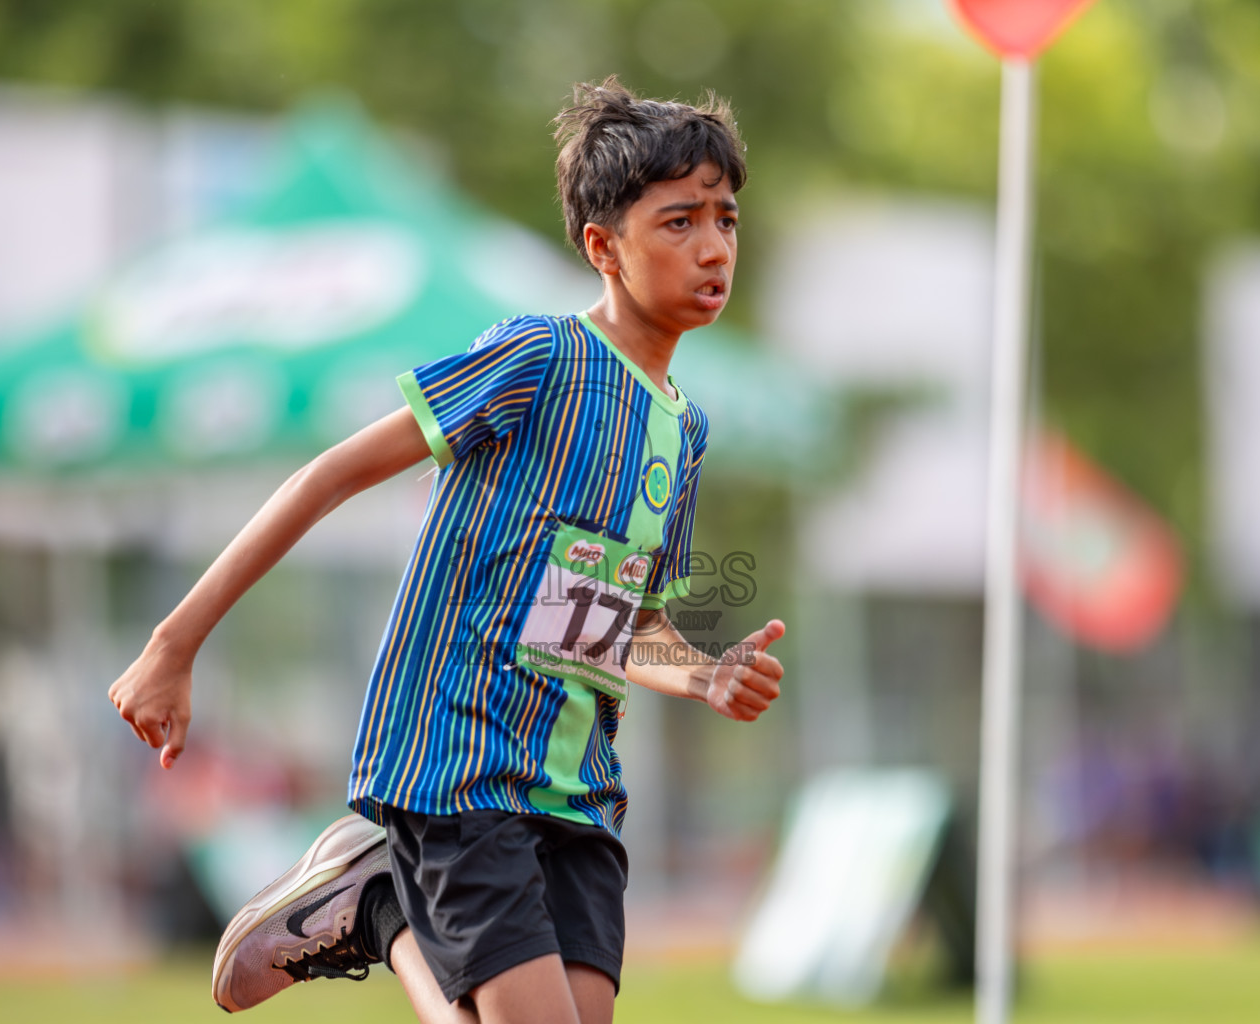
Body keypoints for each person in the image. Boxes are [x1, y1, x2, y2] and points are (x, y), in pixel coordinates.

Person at [108, 76, 786, 1024]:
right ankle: (384, 895)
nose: (713, 248)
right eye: (678, 223)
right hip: (458, 758)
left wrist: (704, 674)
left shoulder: (686, 429)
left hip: (577, 788)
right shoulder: (539, 358)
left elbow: (598, 623)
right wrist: (174, 643)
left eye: (725, 219)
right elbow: (328, 477)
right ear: (603, 247)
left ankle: (372, 898)